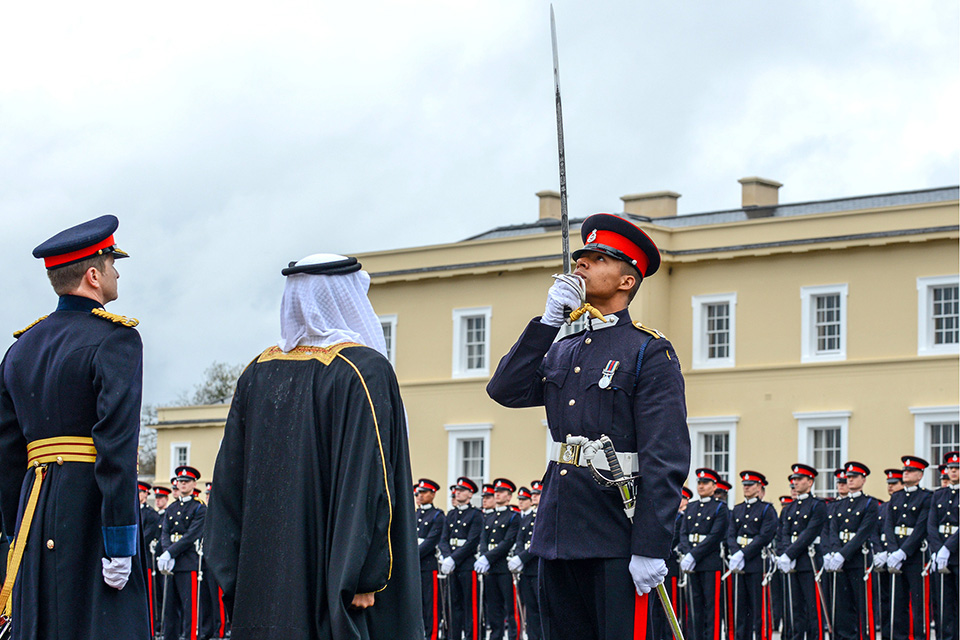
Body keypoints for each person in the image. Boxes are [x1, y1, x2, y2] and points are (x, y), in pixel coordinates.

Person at [487, 212, 690, 640]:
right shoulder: (563, 347)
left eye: (597, 258)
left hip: (617, 532)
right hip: (559, 530)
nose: (581, 264)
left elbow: (665, 456)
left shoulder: (648, 351)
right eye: (581, 257)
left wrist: (651, 547)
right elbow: (505, 389)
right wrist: (547, 322)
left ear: (626, 281)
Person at [202, 254, 420, 640]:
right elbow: (372, 479)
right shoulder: (362, 370)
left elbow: (226, 484)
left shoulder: (257, 371)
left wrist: (231, 569)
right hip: (335, 578)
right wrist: (367, 573)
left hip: (263, 580)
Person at [0, 215, 150, 640]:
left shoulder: (20, 348)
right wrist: (119, 542)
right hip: (92, 510)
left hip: (34, 509)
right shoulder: (116, 339)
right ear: (92, 275)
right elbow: (117, 445)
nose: (116, 272)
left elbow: (8, 454)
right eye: (111, 263)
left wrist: (17, 534)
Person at [824, 462, 878, 640]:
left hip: (857, 560)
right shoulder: (839, 505)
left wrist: (842, 554)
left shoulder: (869, 503)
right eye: (848, 477)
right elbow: (833, 531)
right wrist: (834, 551)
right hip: (840, 563)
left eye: (854, 477)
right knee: (841, 607)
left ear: (863, 480)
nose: (850, 480)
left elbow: (863, 533)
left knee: (860, 607)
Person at [884, 456, 932, 640]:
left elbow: (921, 527)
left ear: (920, 475)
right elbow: (889, 526)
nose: (906, 473)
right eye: (905, 470)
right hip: (896, 553)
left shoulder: (926, 497)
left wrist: (903, 552)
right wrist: (893, 551)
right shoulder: (896, 497)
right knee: (898, 602)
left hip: (914, 556)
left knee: (919, 603)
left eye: (910, 471)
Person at [776, 463, 826, 640]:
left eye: (799, 479)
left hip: (808, 562)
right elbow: (782, 533)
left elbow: (810, 533)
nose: (795, 483)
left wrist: (789, 554)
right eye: (794, 479)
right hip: (792, 564)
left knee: (813, 609)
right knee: (795, 608)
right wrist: (783, 554)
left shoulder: (817, 505)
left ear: (810, 482)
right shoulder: (789, 508)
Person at [727, 471, 778, 640]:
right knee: (740, 609)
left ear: (759, 488)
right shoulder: (738, 509)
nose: (746, 488)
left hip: (756, 563)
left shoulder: (766, 510)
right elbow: (731, 534)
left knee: (759, 609)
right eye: (744, 485)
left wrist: (743, 553)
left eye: (750, 485)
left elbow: (764, 536)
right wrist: (735, 552)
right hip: (739, 564)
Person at [680, 468, 730, 640]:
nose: (701, 486)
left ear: (714, 486)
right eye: (699, 483)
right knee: (694, 607)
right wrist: (687, 553)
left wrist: (693, 555)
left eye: (705, 483)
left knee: (711, 608)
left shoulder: (720, 508)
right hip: (692, 564)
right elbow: (683, 533)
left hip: (709, 563)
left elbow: (715, 536)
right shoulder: (691, 507)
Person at [158, 465, 206, 640]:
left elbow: (191, 535)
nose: (182, 484)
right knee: (170, 609)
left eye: (186, 482)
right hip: (171, 564)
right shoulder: (171, 508)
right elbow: (165, 532)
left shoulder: (199, 508)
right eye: (180, 481)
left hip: (187, 562)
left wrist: (170, 552)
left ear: (194, 484)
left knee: (189, 608)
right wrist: (165, 552)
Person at [475, 478, 521, 640]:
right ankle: (496, 637)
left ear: (509, 497)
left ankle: (514, 637)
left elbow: (508, 542)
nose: (497, 495)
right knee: (493, 609)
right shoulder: (488, 516)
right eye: (496, 493)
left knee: (510, 608)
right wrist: (483, 556)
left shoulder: (513, 517)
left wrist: (487, 557)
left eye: (501, 493)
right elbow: (483, 539)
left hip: (504, 568)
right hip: (490, 569)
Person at [439, 477, 483, 640]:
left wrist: (453, 559)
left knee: (469, 606)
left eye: (462, 490)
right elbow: (444, 539)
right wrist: (446, 556)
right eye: (456, 490)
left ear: (470, 494)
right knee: (453, 605)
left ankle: (471, 637)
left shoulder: (475, 515)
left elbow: (472, 542)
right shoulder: (451, 514)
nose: (457, 493)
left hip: (466, 565)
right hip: (451, 565)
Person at [927, 451, 958, 640]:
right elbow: (931, 524)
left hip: (957, 554)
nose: (953, 472)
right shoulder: (939, 495)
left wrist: (949, 547)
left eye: (956, 469)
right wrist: (938, 549)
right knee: (944, 605)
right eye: (951, 468)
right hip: (941, 556)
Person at [416, 478, 446, 640]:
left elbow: (430, 542)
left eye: (424, 493)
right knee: (417, 605)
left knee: (431, 606)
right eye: (418, 493)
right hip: (416, 567)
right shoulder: (415, 514)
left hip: (428, 567)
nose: (420, 496)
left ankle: (432, 636)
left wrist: (412, 555)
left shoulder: (437, 516)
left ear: (433, 494)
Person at [510, 486, 541, 640]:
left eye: (538, 494)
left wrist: (521, 558)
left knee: (543, 610)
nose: (534, 497)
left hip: (539, 570)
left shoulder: (545, 516)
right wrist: (518, 557)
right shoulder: (528, 518)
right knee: (531, 611)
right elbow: (520, 540)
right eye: (533, 494)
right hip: (527, 571)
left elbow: (538, 543)